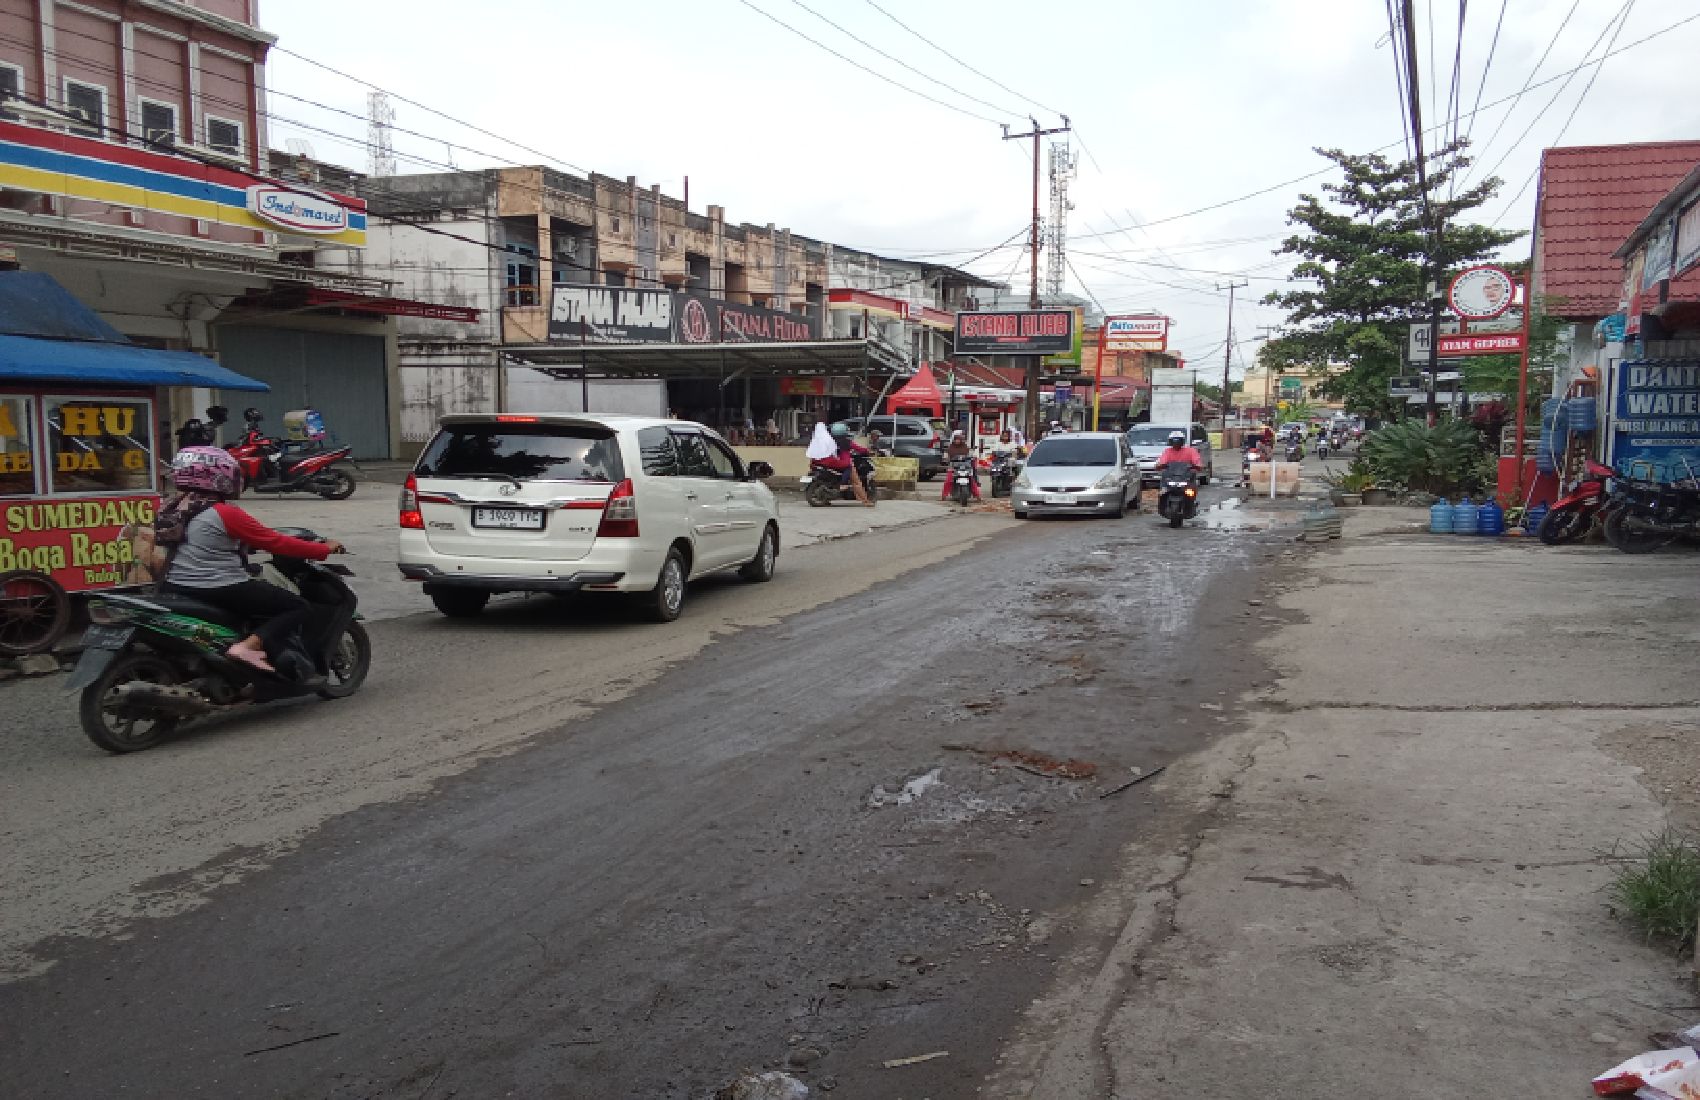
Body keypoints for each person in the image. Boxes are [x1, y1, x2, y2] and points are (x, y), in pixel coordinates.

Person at [160, 446, 344, 675]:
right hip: (219, 586)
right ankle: (248, 646)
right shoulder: (225, 513)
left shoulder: (170, 507)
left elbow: (203, 542)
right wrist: (321, 549)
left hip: (175, 584)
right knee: (298, 606)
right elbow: (275, 542)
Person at [815, 422, 873, 506]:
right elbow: (860, 449)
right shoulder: (847, 442)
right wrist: (867, 451)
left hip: (830, 463)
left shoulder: (829, 441)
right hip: (842, 463)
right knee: (857, 482)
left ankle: (828, 496)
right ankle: (865, 501)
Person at [940, 430, 982, 501]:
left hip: (965, 467)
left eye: (959, 440)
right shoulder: (950, 448)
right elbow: (946, 457)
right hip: (953, 467)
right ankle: (944, 495)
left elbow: (971, 455)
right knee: (948, 480)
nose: (957, 441)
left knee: (972, 480)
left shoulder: (965, 447)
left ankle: (977, 495)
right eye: (956, 440)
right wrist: (946, 459)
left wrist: (973, 457)